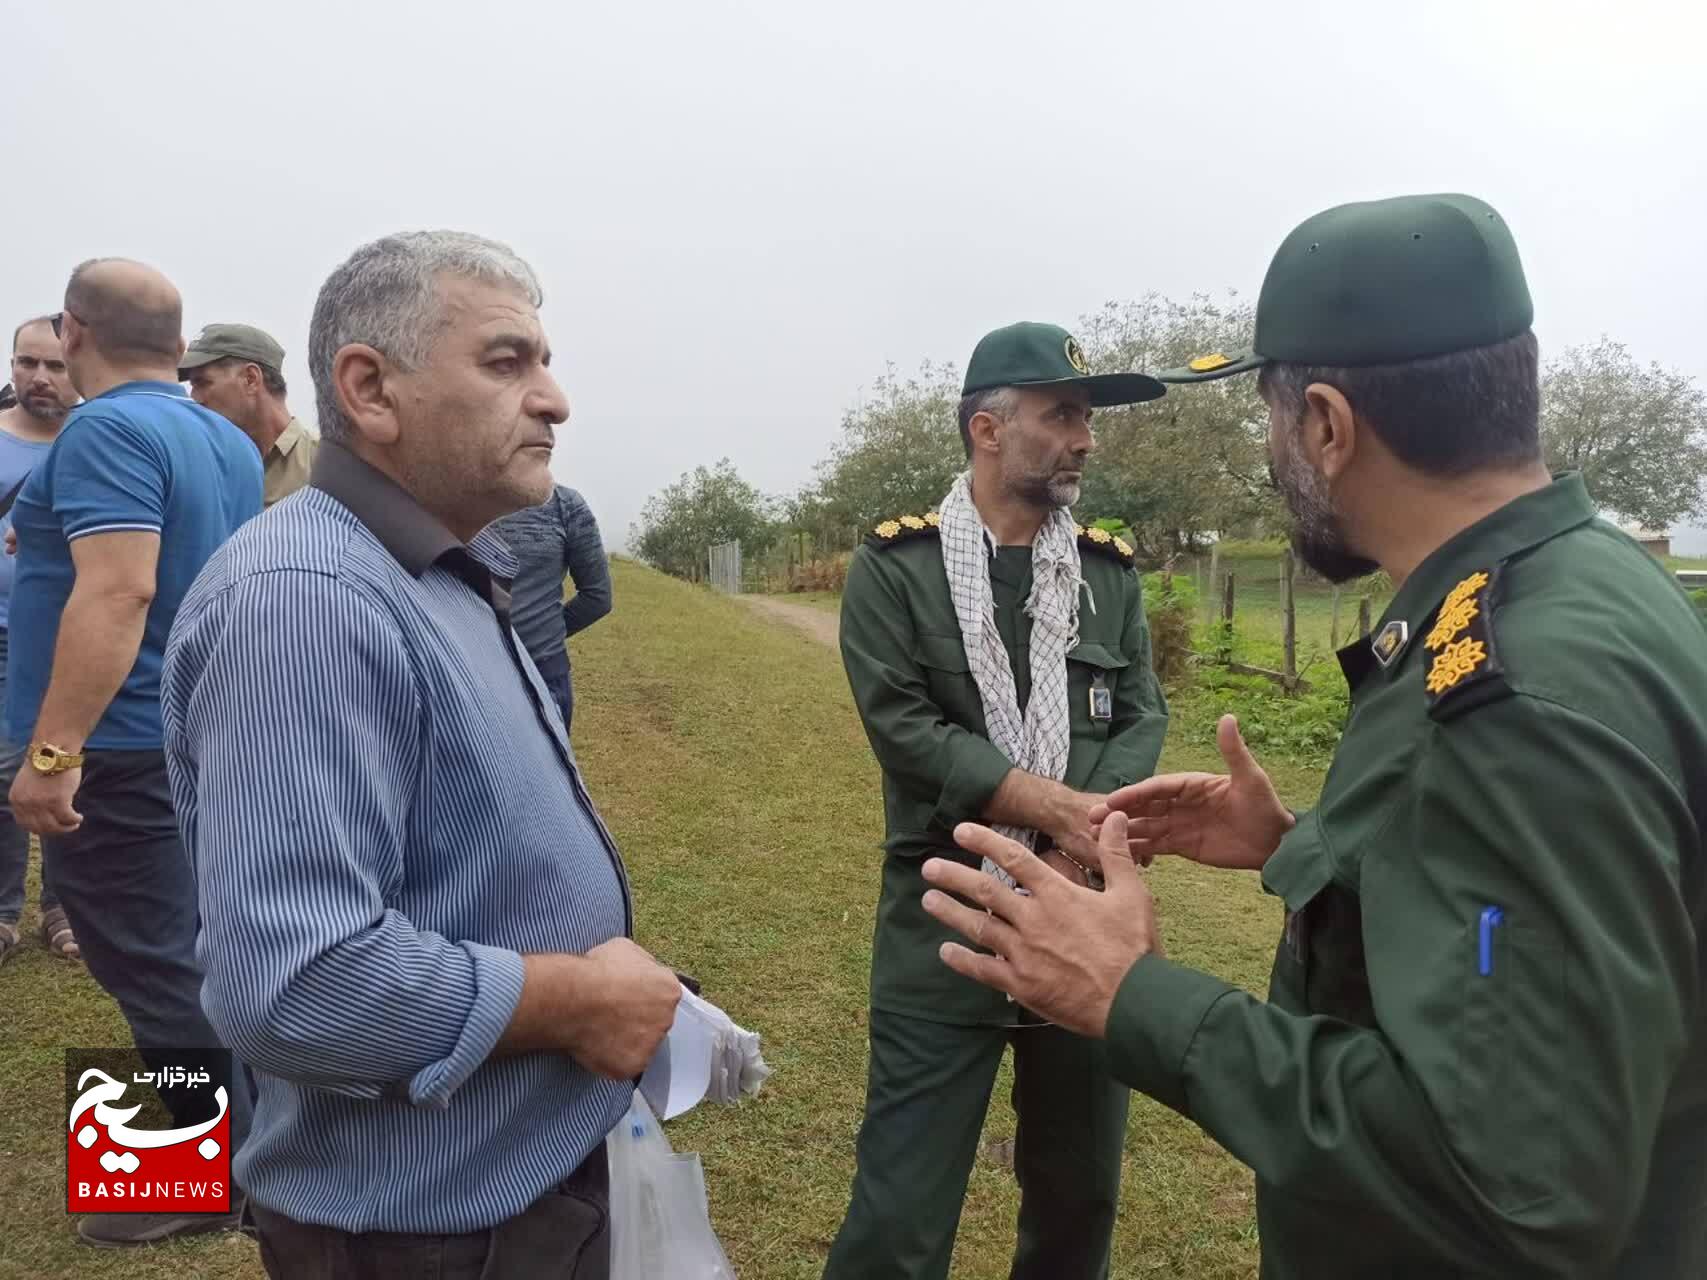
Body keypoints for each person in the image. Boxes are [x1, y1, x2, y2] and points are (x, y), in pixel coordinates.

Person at [919, 194, 1707, 1278]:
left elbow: (1519, 1187)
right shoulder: (1587, 580)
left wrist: (1137, 997)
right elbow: (1510, 911)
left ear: (1328, 425)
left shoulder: (1515, 699)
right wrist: (1303, 844)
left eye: (1274, 419)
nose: (1274, 450)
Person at [161, 230, 682, 1280]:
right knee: (148, 991)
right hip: (425, 1237)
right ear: (370, 388)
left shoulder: (438, 565)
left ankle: (151, 1183)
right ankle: (146, 1185)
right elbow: (294, 981)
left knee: (144, 977)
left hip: (502, 1193)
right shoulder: (305, 601)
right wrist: (576, 1000)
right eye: (507, 361)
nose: (556, 399)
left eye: (543, 360)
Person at [823, 321, 1171, 1280]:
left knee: (1078, 1197)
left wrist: (1075, 842)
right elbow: (905, 731)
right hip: (944, 921)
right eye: (1063, 415)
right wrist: (1053, 818)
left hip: (1088, 921)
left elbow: (1140, 712)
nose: (1084, 438)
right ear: (987, 427)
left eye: (1086, 419)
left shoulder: (1104, 576)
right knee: (901, 1211)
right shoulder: (897, 570)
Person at [6, 260, 261, 1246]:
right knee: (186, 943)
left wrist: (53, 754)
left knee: (146, 955)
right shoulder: (222, 437)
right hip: (188, 725)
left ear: (73, 330)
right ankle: (245, 1138)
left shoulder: (104, 429)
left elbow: (118, 591)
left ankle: (194, 1183)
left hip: (114, 743)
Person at [0, 316, 80, 965]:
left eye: (54, 365)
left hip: (74, 638)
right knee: (2, 774)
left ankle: (64, 905)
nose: (40, 377)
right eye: (28, 362)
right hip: (2, 635)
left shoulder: (95, 442)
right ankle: (3, 912)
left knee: (67, 769)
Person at [487, 484, 611, 730]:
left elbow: (598, 597)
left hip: (538, 677)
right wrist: (542, 633)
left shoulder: (566, 505)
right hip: (539, 668)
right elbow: (598, 597)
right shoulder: (564, 504)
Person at [179, 322, 318, 505]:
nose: (195, 399)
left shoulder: (323, 465)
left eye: (203, 383)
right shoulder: (201, 467)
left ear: (250, 379)